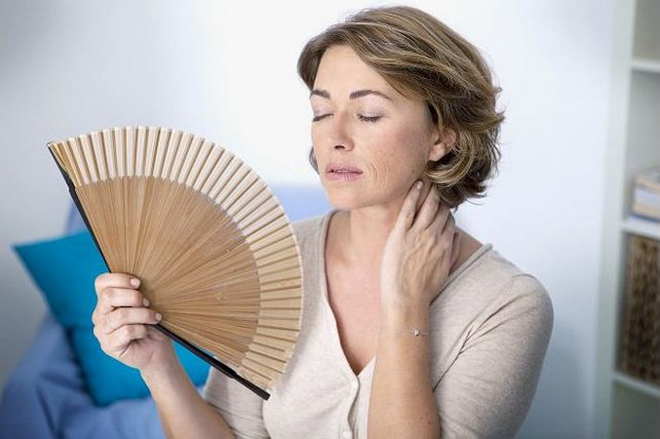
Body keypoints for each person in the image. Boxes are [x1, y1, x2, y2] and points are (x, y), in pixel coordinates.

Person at [91, 5, 553, 439]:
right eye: (322, 112)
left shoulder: (509, 305)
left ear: (441, 137)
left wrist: (406, 305)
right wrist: (158, 365)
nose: (334, 137)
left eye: (368, 114)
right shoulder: (273, 261)